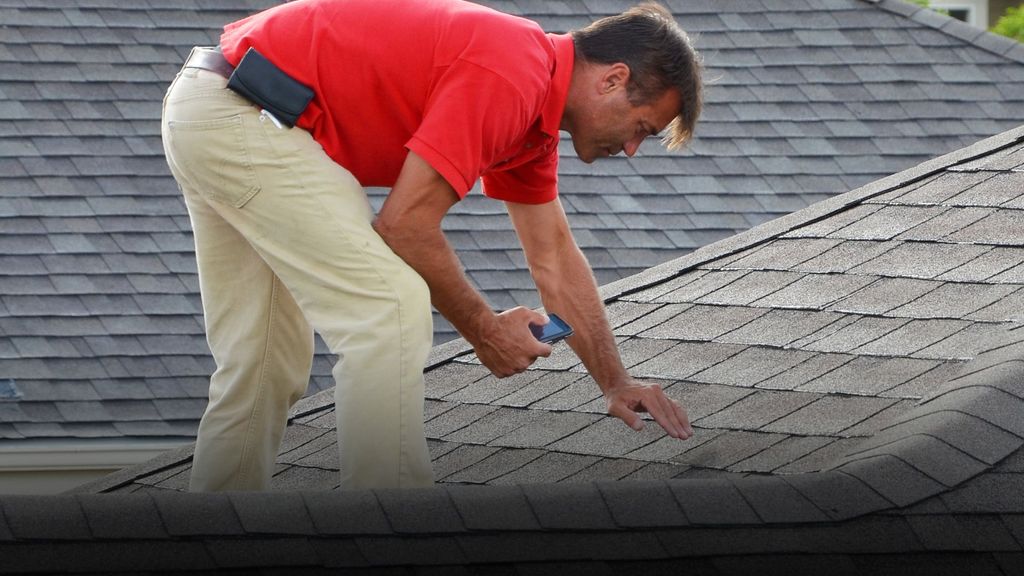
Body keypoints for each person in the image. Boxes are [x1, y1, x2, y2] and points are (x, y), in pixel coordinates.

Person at [161, 0, 703, 491]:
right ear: (613, 79)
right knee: (389, 308)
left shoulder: (532, 116)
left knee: (263, 359)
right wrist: (486, 331)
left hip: (215, 106)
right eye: (642, 128)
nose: (632, 149)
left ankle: (209, 529)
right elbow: (405, 226)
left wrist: (615, 382)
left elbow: (555, 259)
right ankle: (391, 530)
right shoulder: (513, 72)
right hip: (246, 116)